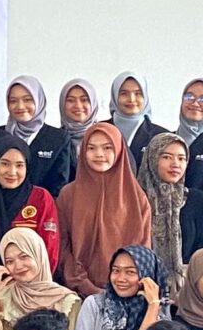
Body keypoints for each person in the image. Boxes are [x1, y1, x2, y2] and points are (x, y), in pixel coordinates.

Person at [58, 124, 150, 296]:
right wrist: (84, 285)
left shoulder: (137, 198)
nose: (99, 154)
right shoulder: (68, 195)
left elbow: (142, 250)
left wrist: (123, 285)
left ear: (119, 150)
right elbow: (63, 247)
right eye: (91, 148)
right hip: (77, 293)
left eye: (107, 148)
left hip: (125, 294)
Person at [135, 132, 203, 301]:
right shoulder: (135, 200)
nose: (175, 164)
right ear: (152, 158)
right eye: (167, 157)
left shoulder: (199, 201)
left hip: (189, 293)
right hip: (140, 290)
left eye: (181, 158)